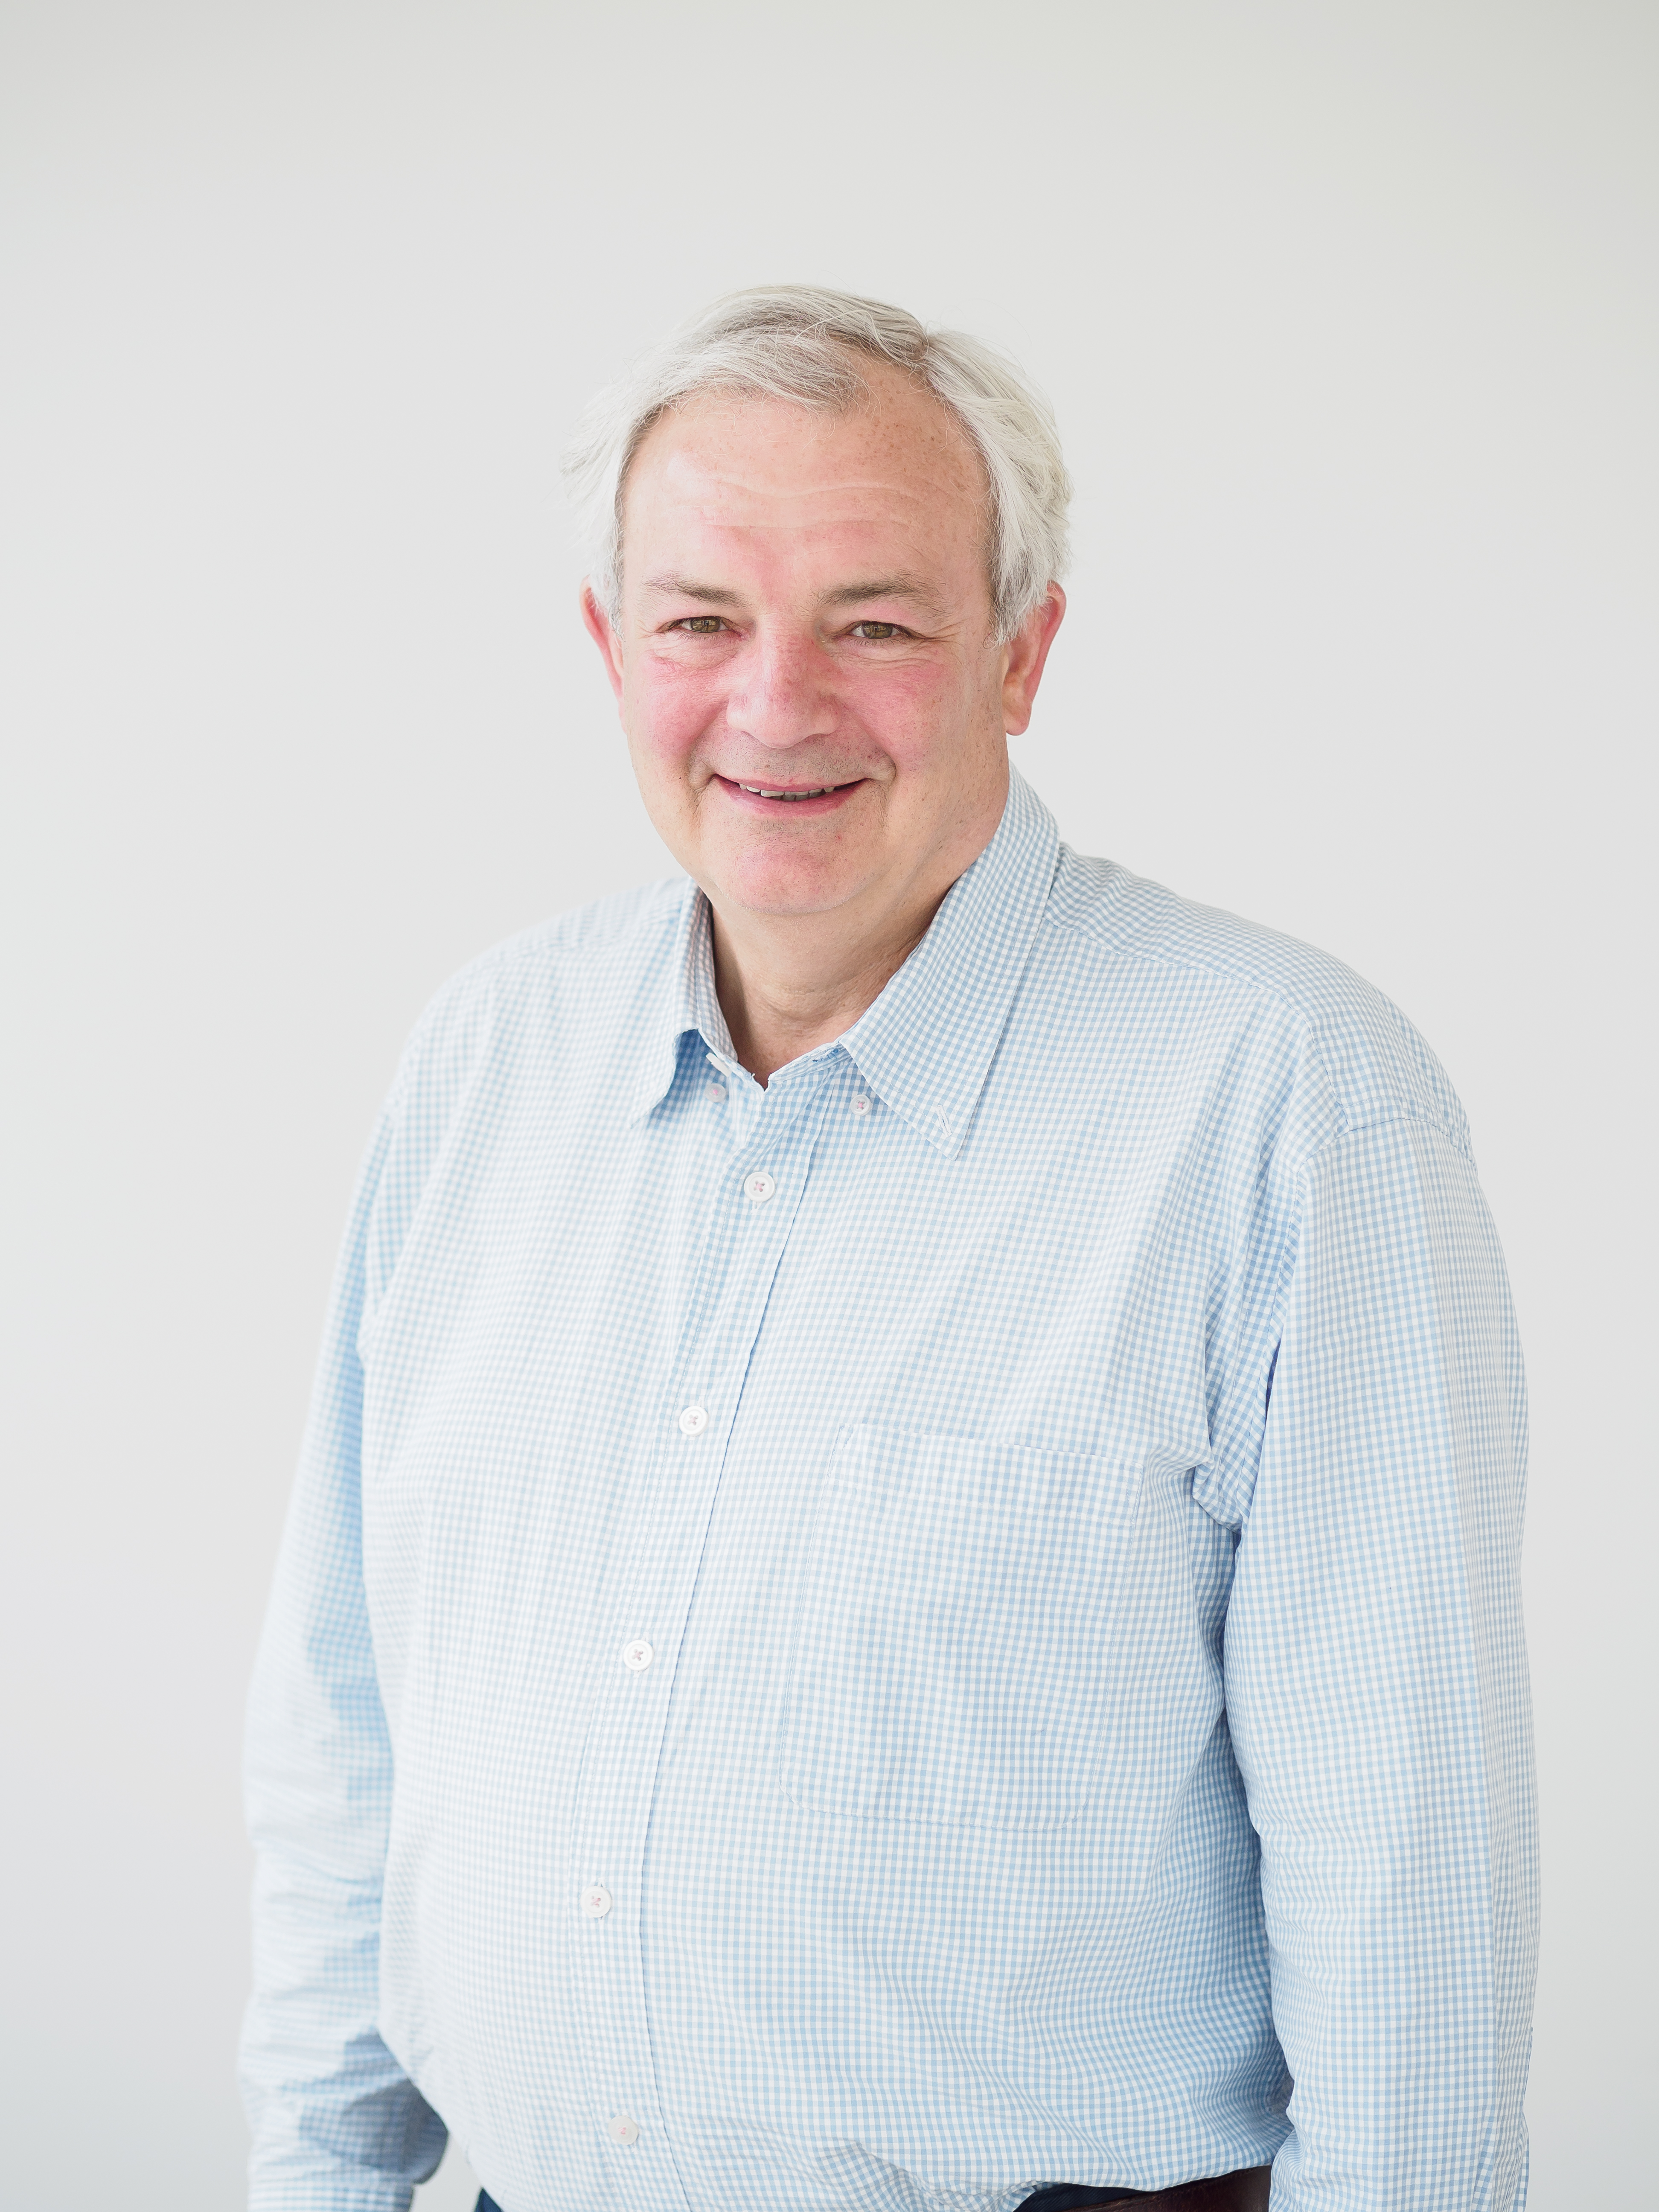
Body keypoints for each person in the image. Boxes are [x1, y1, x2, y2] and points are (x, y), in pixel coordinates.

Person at [241, 287, 1535, 2212]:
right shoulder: (484, 1062)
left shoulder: (1287, 1104)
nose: (776, 704)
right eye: (702, 622)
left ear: (1023, 654)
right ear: (611, 649)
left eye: (877, 623)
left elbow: (1406, 1884)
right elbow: (349, 1733)